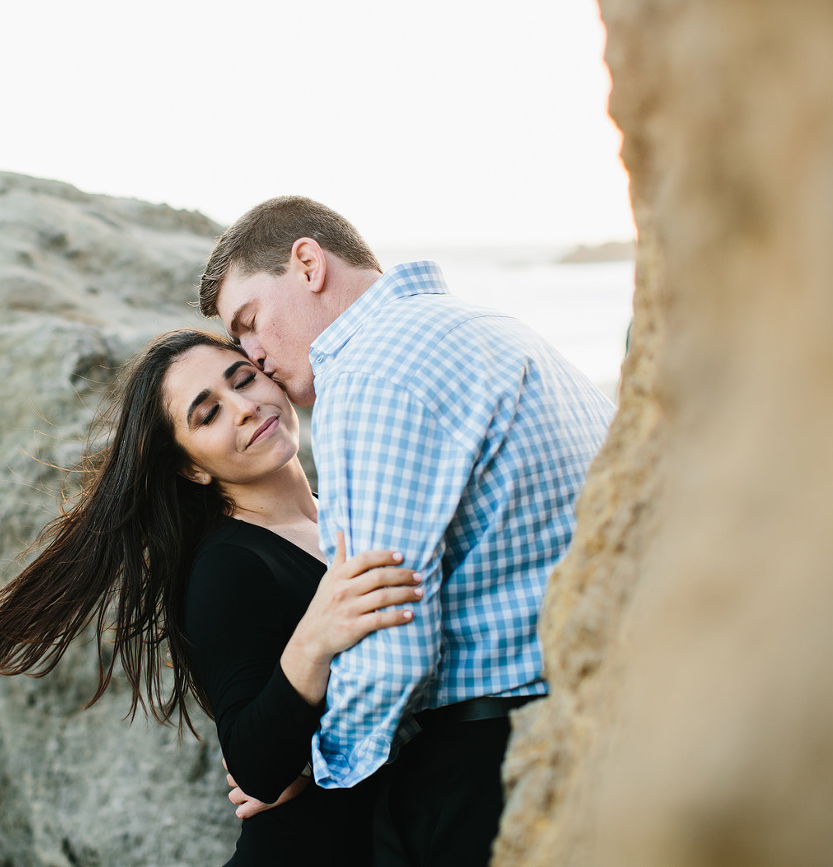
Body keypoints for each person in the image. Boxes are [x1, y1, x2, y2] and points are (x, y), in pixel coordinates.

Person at [198, 196, 615, 866]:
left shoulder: (368, 376)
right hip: (600, 712)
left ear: (306, 263)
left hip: (497, 758)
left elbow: (393, 641)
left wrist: (307, 766)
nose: (253, 355)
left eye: (249, 323)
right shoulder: (487, 324)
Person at [0, 328, 421, 866]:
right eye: (209, 414)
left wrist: (318, 759)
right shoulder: (229, 568)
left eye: (244, 380)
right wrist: (313, 642)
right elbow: (254, 767)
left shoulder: (345, 510)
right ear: (192, 467)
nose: (245, 408)